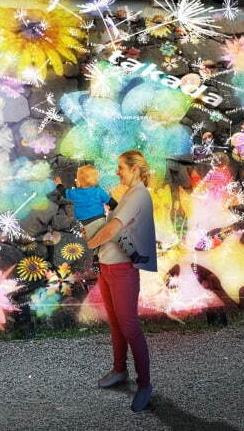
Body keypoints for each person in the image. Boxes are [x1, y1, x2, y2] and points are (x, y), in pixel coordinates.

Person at [86, 149, 158, 412]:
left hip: (123, 269)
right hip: (108, 267)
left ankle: (145, 385)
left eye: (121, 167)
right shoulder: (128, 193)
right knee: (116, 324)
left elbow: (113, 228)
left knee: (129, 326)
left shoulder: (138, 195)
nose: (117, 171)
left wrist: (91, 242)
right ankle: (119, 371)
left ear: (135, 169)